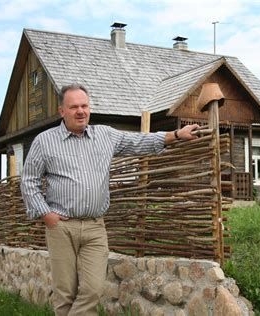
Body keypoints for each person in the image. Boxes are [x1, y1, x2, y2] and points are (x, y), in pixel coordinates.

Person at [20, 83, 198, 316]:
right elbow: (28, 181)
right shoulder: (44, 141)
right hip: (61, 227)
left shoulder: (105, 135)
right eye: (74, 107)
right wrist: (47, 215)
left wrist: (175, 135)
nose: (81, 111)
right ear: (61, 111)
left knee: (93, 289)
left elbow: (138, 142)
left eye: (84, 106)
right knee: (65, 293)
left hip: (95, 227)